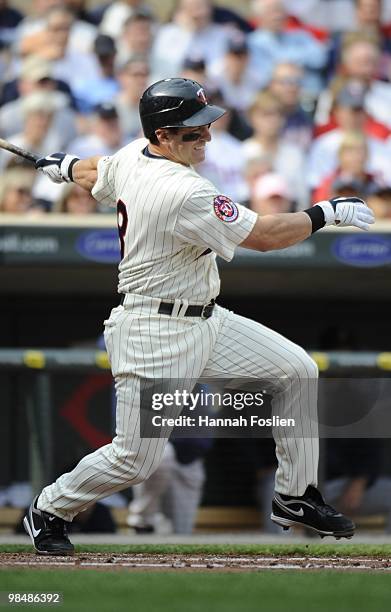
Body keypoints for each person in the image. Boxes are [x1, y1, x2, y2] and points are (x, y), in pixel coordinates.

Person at [23, 77, 374, 555]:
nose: (205, 137)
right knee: (135, 460)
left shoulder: (135, 153)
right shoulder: (181, 190)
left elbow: (98, 170)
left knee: (296, 370)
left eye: (206, 127)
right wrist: (323, 213)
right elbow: (266, 237)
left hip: (206, 318)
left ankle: (294, 495)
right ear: (163, 135)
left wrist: (66, 167)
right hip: (153, 331)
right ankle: (49, 507)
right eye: (192, 131)